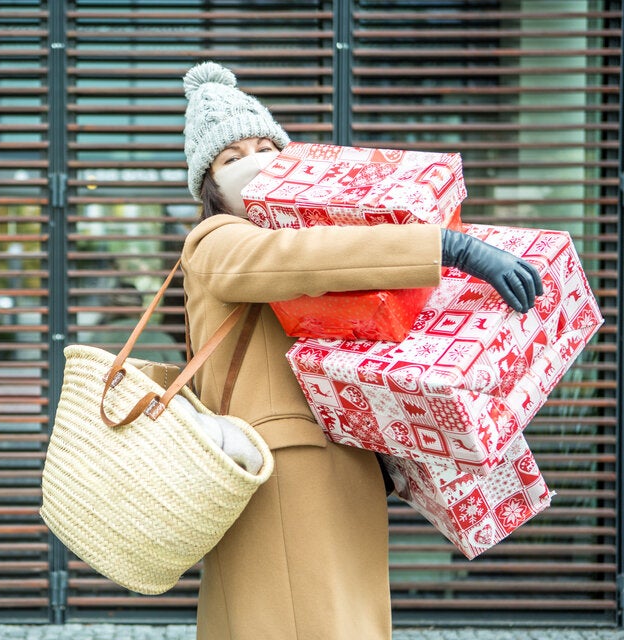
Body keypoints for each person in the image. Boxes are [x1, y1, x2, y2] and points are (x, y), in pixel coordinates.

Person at [178, 61, 542, 640]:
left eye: (267, 146)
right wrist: (446, 246)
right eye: (232, 157)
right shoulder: (216, 241)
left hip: (335, 460)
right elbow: (305, 261)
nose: (255, 162)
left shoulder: (301, 233)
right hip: (283, 471)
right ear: (209, 183)